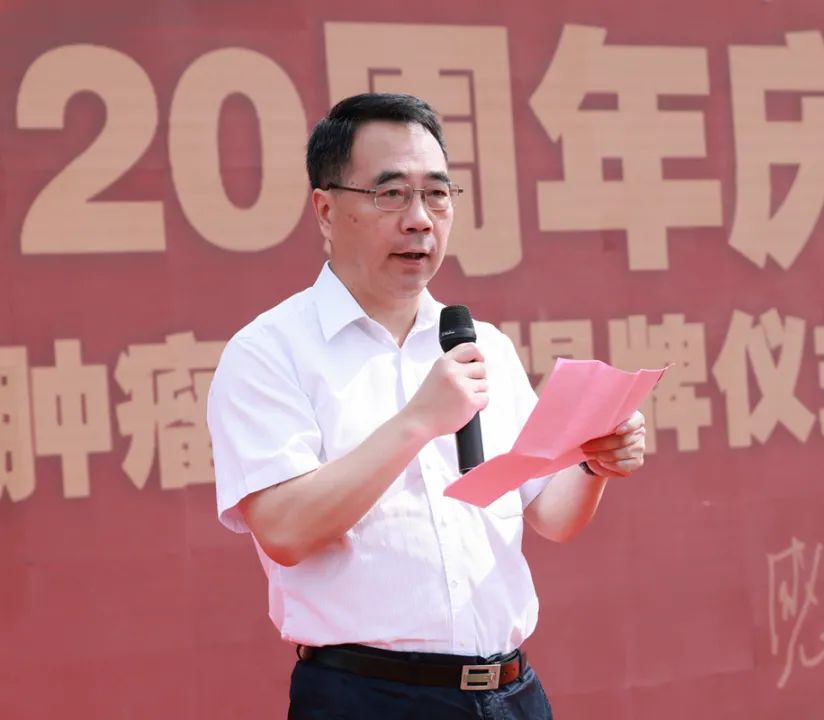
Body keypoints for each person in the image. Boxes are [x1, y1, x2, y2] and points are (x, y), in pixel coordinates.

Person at [207, 92, 647, 720]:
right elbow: (284, 530)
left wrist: (592, 464)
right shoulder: (271, 351)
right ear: (326, 210)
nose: (420, 219)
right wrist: (418, 422)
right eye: (391, 194)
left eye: (437, 194)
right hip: (371, 697)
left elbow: (551, 516)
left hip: (511, 692)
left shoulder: (480, 343)